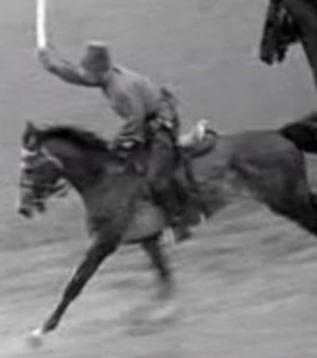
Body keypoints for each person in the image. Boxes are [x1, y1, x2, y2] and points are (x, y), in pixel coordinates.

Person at [35, 42, 200, 240]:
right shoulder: (105, 76)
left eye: (88, 72)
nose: (85, 75)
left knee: (155, 178)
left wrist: (117, 146)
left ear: (99, 72)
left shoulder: (121, 89)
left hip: (161, 124)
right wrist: (51, 65)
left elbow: (135, 121)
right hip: (143, 122)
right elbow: (79, 76)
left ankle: (179, 222)